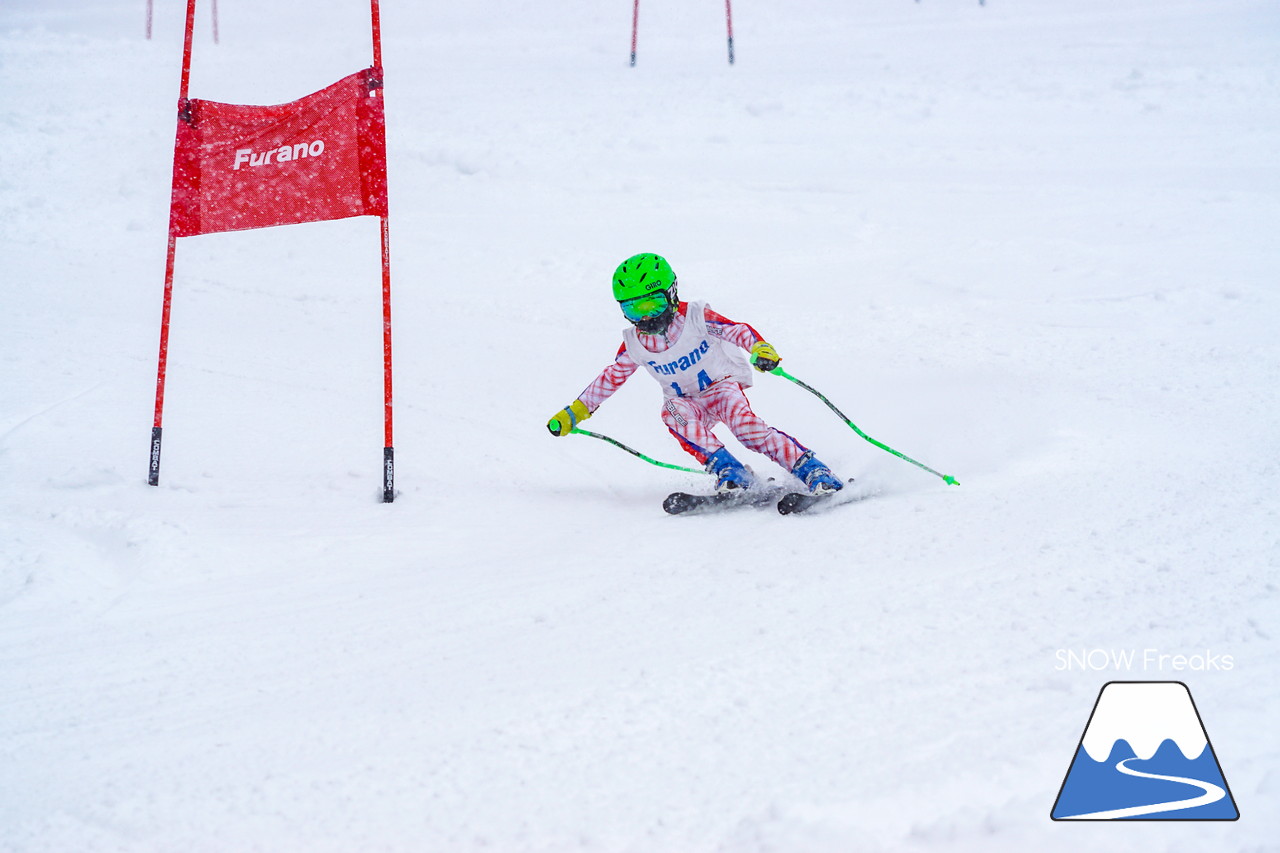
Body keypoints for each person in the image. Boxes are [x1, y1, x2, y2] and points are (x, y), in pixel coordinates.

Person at [546, 252, 843, 495]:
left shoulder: (696, 317)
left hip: (720, 388)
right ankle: (731, 471)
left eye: (653, 303)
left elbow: (738, 331)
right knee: (673, 413)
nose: (646, 317)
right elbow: (610, 378)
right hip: (685, 400)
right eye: (635, 310)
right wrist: (575, 412)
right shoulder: (635, 343)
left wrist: (761, 349)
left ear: (672, 293)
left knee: (747, 430)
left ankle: (812, 470)